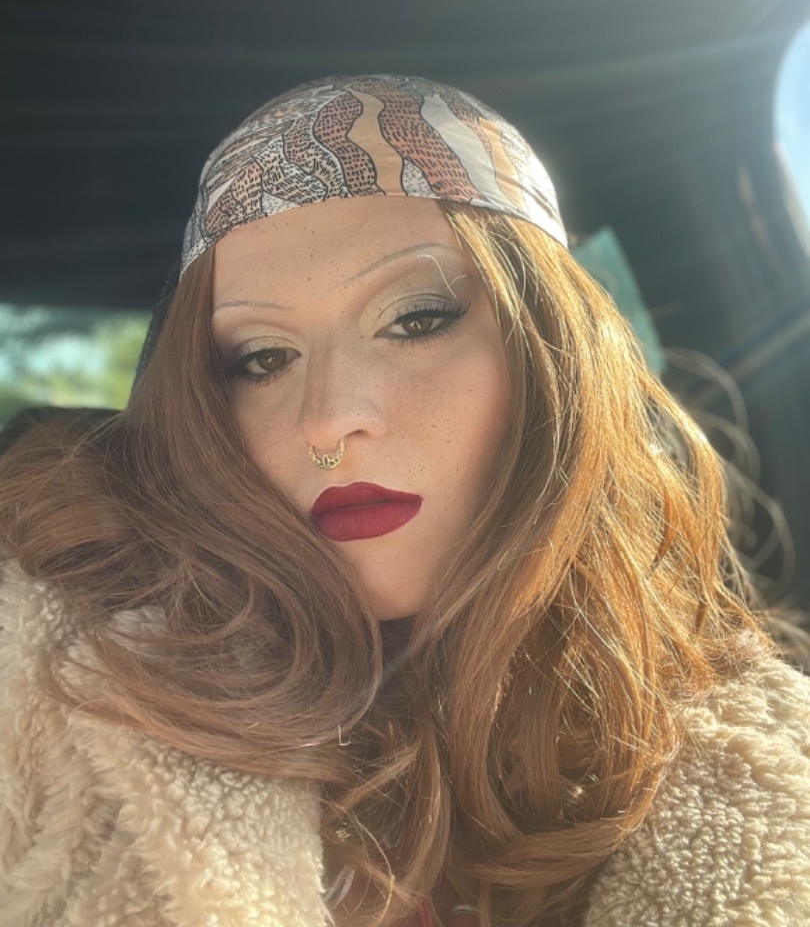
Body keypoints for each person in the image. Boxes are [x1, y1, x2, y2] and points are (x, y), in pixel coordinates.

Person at [1, 73, 809, 927]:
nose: (328, 419)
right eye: (263, 359)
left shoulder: (754, 752)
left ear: (554, 360)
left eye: (417, 319)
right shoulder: (55, 684)